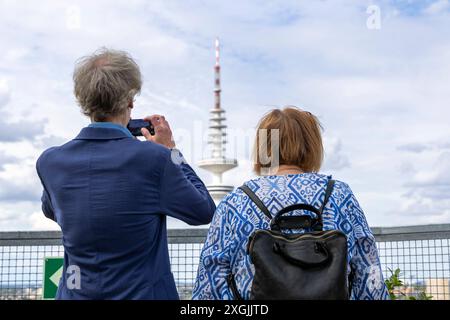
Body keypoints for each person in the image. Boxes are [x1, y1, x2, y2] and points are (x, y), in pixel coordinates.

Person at [35, 48, 216, 300]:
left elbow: (52, 210)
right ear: (130, 99)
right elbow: (203, 211)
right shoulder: (156, 159)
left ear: (83, 100)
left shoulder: (50, 162)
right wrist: (172, 151)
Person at [193, 106, 389, 300]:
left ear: (264, 147)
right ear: (312, 145)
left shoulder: (235, 202)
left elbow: (211, 281)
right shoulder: (340, 195)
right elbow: (368, 270)